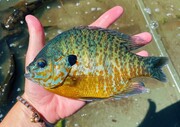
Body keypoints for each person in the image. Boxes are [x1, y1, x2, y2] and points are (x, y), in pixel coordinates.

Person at [0, 6, 152, 127]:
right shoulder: (55, 84)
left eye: (42, 64)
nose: (34, 69)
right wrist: (34, 106)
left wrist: (32, 110)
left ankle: (149, 67)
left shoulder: (61, 80)